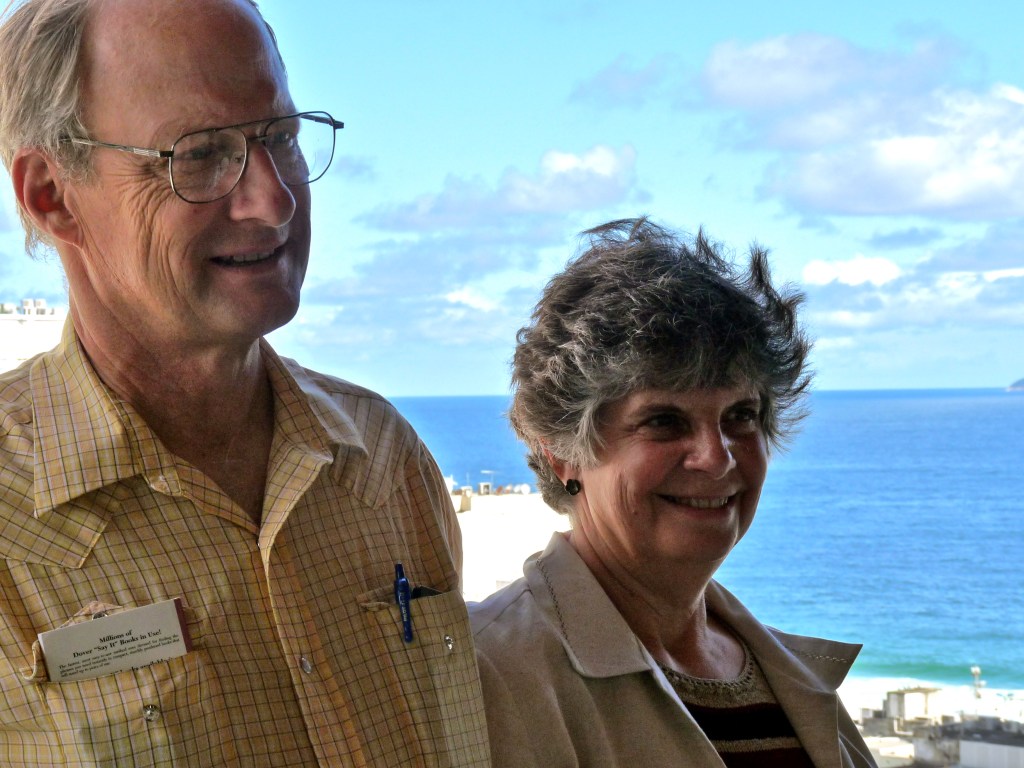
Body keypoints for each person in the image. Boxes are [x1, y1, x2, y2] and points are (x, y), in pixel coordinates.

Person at [0, 0, 489, 765]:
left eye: (282, 138)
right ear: (52, 196)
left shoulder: (384, 458)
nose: (275, 199)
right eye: (200, 154)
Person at [471, 218, 877, 767]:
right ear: (563, 453)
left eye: (741, 416)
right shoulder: (491, 673)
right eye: (663, 421)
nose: (717, 457)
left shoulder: (784, 675)